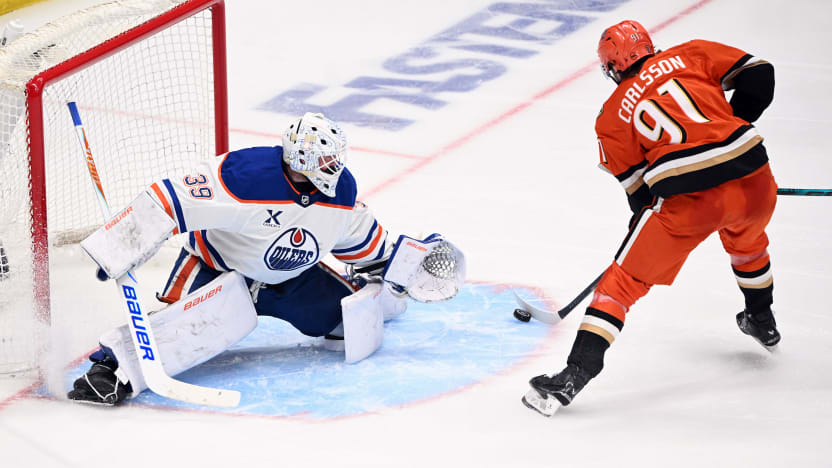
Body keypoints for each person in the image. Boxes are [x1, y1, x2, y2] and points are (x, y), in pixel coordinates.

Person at [67, 112, 465, 405]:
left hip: (294, 281)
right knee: (179, 335)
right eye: (326, 160)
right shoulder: (244, 177)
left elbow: (364, 242)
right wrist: (122, 244)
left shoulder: (341, 191)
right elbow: (166, 199)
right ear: (302, 161)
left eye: (335, 158)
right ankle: (108, 368)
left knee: (355, 325)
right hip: (217, 271)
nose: (335, 167)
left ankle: (351, 292)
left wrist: (404, 265)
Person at [523, 20, 779, 416]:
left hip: (691, 201)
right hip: (755, 178)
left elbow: (641, 196)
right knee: (748, 243)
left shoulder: (610, 117)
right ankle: (762, 318)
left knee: (621, 283)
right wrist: (730, 128)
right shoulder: (692, 52)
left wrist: (641, 234)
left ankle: (576, 372)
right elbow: (760, 73)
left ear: (611, 66)